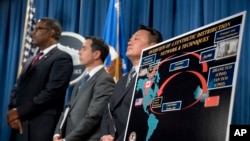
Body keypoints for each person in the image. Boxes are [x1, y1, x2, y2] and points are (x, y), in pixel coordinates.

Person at [7, 17, 73, 141]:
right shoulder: (30, 61)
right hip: (19, 126)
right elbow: (18, 88)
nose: (33, 32)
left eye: (38, 28)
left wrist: (19, 112)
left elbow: (51, 93)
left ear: (50, 32)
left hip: (40, 127)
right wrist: (12, 113)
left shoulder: (61, 58)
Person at [100, 25, 163, 141]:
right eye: (130, 39)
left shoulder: (158, 76)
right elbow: (108, 110)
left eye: (136, 39)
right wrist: (104, 135)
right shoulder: (122, 80)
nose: (129, 42)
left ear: (152, 46)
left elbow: (148, 117)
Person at [53, 36, 115, 141]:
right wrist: (57, 133)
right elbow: (68, 108)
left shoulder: (104, 79)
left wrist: (67, 139)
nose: (79, 52)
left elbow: (93, 116)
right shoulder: (83, 80)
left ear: (96, 54)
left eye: (84, 48)